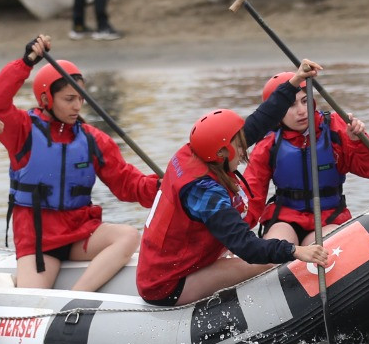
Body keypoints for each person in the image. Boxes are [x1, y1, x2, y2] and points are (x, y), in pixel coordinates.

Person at [137, 59, 331, 306]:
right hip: (167, 284)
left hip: (177, 263)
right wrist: (294, 251)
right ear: (220, 153)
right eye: (238, 147)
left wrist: (293, 82)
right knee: (273, 264)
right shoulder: (204, 192)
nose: (243, 152)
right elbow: (245, 246)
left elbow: (259, 122)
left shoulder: (195, 151)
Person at [0, 34, 160, 292]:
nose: (77, 106)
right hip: (39, 240)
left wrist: (162, 188)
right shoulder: (21, 131)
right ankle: (29, 289)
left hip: (80, 234)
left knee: (129, 236)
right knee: (31, 300)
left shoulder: (92, 139)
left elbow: (127, 183)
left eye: (80, 98)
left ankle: (77, 298)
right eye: (69, 99)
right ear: (45, 99)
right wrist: (26, 62)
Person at [244, 72, 369, 245]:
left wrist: (358, 141)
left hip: (329, 217)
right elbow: (251, 197)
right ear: (275, 111)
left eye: (305, 101)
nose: (302, 111)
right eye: (290, 105)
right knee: (277, 246)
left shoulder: (336, 127)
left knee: (327, 249)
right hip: (285, 219)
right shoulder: (268, 143)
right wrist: (233, 237)